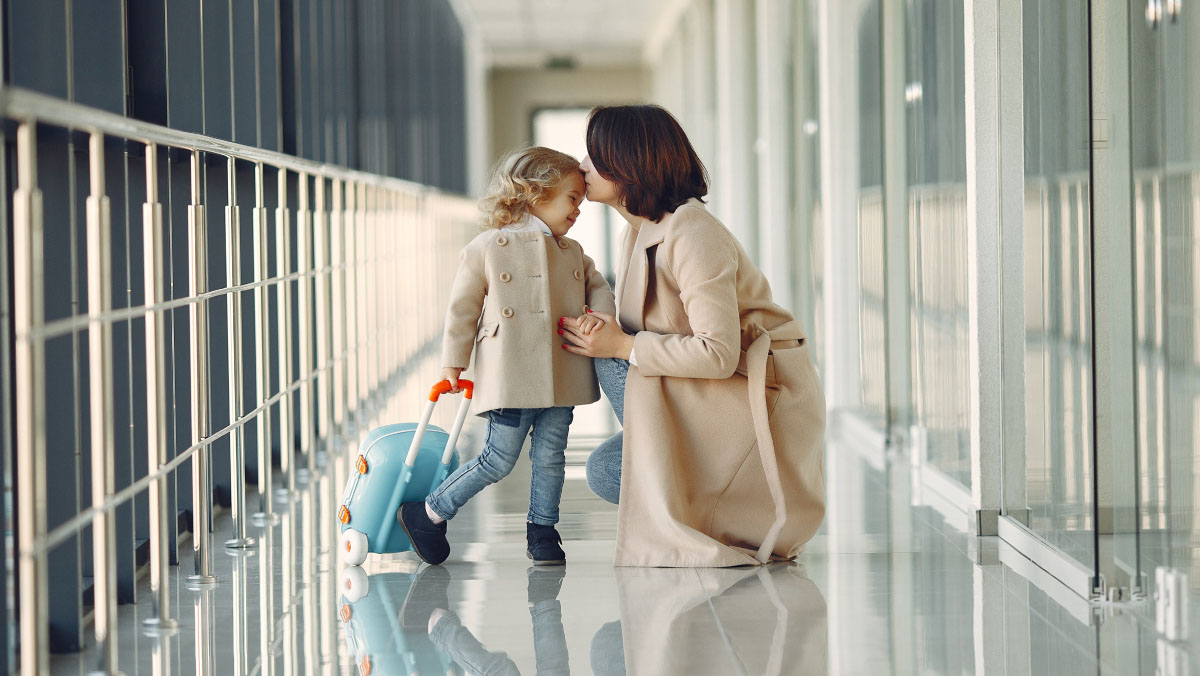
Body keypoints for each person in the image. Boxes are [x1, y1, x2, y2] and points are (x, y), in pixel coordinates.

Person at [559, 105, 826, 567]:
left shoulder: (693, 233)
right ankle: (696, 499)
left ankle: (719, 506)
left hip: (752, 393)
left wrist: (620, 346)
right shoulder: (640, 231)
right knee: (607, 470)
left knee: (607, 378)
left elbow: (719, 353)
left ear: (628, 163)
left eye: (594, 155)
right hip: (705, 392)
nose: (582, 165)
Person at [399, 146, 616, 566]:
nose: (578, 210)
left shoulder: (571, 252)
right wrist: (452, 364)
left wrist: (600, 317)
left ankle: (543, 532)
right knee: (498, 458)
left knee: (551, 456)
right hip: (512, 371)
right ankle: (428, 512)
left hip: (561, 369)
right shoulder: (487, 247)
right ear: (536, 192)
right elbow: (462, 308)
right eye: (572, 198)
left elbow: (598, 286)